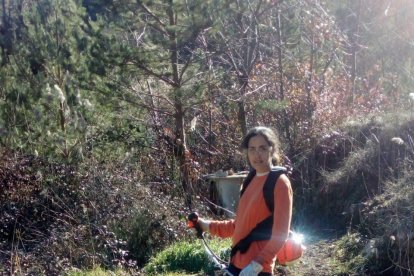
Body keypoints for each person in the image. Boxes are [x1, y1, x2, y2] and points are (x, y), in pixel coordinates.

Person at [196, 126, 293, 276]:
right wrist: (205, 225)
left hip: (258, 271)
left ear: (272, 150)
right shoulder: (250, 180)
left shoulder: (280, 183)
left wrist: (257, 265)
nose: (257, 154)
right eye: (252, 149)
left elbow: (280, 234)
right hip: (236, 265)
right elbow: (238, 226)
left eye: (262, 148)